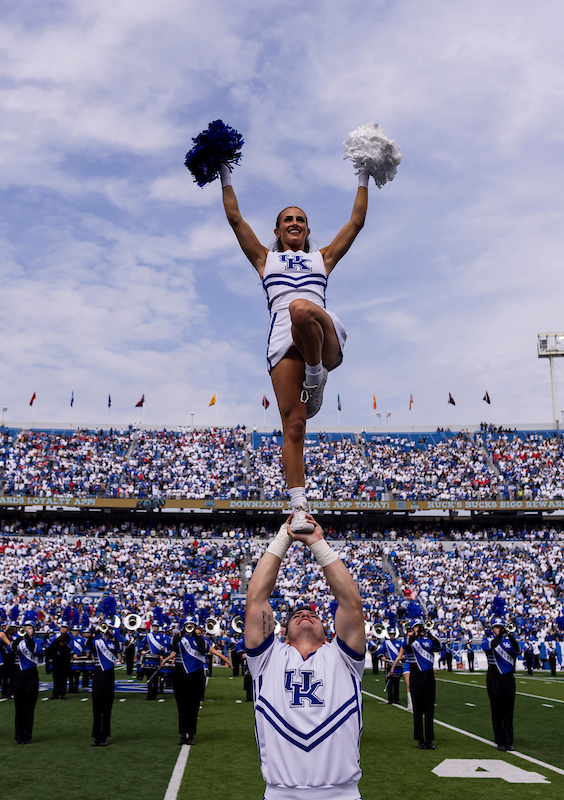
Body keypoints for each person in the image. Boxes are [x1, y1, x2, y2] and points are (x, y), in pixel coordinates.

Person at [220, 157, 368, 534]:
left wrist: (365, 173)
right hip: (282, 341)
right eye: (288, 219)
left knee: (301, 308)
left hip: (321, 332)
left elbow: (356, 223)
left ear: (307, 229)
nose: (295, 224)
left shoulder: (322, 258)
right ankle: (299, 505)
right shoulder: (265, 260)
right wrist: (224, 171)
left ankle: (316, 376)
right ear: (277, 230)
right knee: (294, 426)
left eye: (300, 219)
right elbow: (236, 220)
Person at [245, 513, 366, 799]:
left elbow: (351, 603)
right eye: (297, 615)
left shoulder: (345, 657)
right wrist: (283, 537)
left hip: (343, 793)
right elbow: (256, 599)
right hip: (280, 793)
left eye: (312, 614)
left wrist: (316, 543)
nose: (305, 615)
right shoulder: (267, 658)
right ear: (283, 634)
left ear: (328, 632)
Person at [161, 619, 229, 745]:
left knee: (193, 704)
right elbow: (171, 645)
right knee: (181, 704)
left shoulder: (200, 640)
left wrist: (196, 637)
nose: (189, 628)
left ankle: (191, 733)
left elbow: (204, 649)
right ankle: (183, 733)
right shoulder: (179, 639)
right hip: (180, 673)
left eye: (191, 626)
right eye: (187, 626)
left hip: (196, 674)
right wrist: (180, 633)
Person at [395, 610, 439, 749]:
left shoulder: (428, 639)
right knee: (418, 709)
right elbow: (405, 645)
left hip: (428, 676)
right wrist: (415, 634)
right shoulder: (410, 640)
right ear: (412, 628)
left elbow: (439, 647)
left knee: (429, 709)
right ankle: (420, 738)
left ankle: (429, 739)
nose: (419, 628)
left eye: (421, 626)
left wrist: (430, 634)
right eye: (417, 626)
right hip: (416, 675)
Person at [482, 619, 521, 751]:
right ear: (492, 629)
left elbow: (517, 651)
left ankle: (509, 741)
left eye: (501, 627)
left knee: (508, 710)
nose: (500, 629)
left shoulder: (508, 640)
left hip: (508, 677)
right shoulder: (487, 639)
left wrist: (510, 636)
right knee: (497, 709)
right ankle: (500, 740)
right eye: (497, 627)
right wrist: (499, 636)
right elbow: (489, 646)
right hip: (494, 676)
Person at [88, 622, 122, 746]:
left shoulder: (114, 642)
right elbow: (87, 646)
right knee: (97, 706)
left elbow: (119, 648)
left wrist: (111, 637)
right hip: (98, 675)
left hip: (109, 676)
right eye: (106, 628)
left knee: (107, 706)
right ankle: (97, 735)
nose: (108, 630)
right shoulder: (97, 642)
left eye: (110, 629)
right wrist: (94, 635)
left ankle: (105, 736)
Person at [11, 619, 41, 744]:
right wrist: (19, 638)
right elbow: (10, 649)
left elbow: (37, 651)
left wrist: (28, 639)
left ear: (33, 631)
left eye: (30, 628)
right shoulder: (18, 641)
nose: (27, 630)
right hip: (19, 674)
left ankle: (27, 735)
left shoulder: (36, 641)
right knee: (19, 706)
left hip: (31, 674)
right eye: (26, 628)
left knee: (29, 707)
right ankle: (18, 736)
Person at [47, 623, 72, 700]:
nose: (63, 629)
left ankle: (63, 693)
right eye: (62, 627)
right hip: (57, 658)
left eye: (65, 627)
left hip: (65, 658)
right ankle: (55, 693)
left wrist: (64, 644)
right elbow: (51, 645)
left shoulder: (69, 637)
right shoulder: (55, 636)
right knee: (56, 676)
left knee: (63, 676)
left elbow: (70, 647)